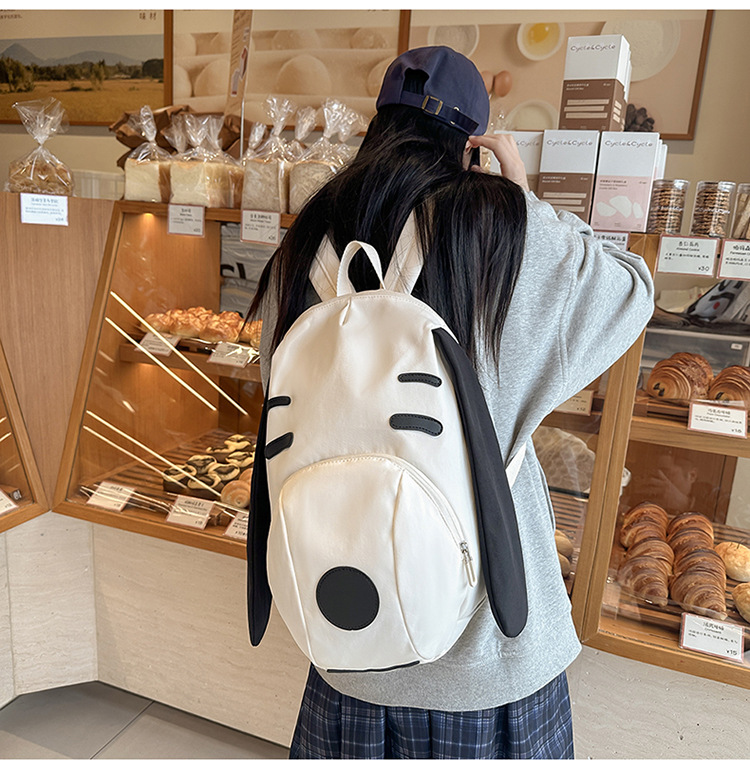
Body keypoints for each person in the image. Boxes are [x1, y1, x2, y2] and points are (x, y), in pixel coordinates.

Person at [247, 45, 654, 760]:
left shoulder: (304, 241)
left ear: (378, 124)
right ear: (471, 145)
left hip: (347, 647)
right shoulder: (502, 229)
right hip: (488, 664)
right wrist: (522, 196)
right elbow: (630, 290)